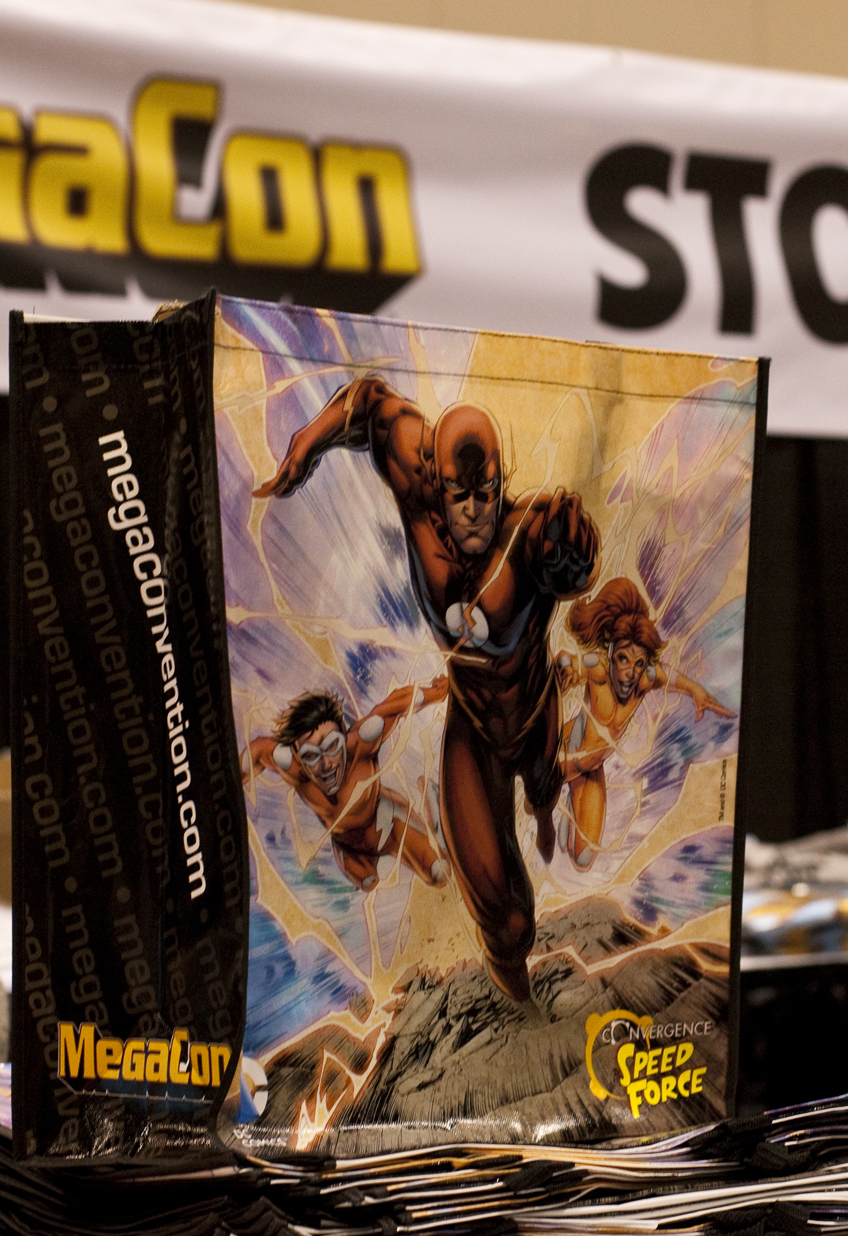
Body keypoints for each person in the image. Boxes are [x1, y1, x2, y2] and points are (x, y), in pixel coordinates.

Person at [256, 377, 599, 1003]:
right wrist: (308, 441)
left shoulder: (529, 530)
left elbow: (570, 550)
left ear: (501, 482)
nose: (473, 511)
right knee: (508, 923)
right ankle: (522, 1012)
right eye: (458, 495)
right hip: (474, 725)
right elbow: (366, 404)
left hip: (533, 714)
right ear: (434, 483)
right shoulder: (413, 478)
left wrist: (575, 559)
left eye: (485, 494)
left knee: (543, 791)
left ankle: (544, 810)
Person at [554, 577, 733, 865]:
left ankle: (571, 799)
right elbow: (573, 661)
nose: (630, 673)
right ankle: (564, 794)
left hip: (591, 766)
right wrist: (566, 667)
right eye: (623, 659)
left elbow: (669, 676)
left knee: (583, 858)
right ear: (611, 653)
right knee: (536, 794)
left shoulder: (644, 679)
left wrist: (696, 691)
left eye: (638, 664)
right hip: (566, 750)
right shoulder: (599, 669)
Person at [243, 678, 451, 893]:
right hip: (348, 846)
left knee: (440, 874)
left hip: (388, 823)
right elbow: (257, 751)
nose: (326, 764)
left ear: (343, 733)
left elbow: (397, 703)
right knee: (367, 882)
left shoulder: (362, 742)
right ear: (297, 754)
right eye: (311, 756)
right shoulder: (292, 767)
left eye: (332, 746)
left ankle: (433, 805)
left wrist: (437, 693)